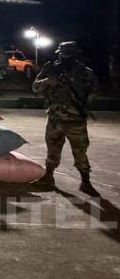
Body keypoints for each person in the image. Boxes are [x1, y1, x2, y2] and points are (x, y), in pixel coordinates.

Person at [32, 41, 99, 196]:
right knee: (52, 150)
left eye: (69, 54)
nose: (65, 57)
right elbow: (35, 87)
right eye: (63, 54)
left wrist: (82, 104)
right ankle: (48, 177)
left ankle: (86, 182)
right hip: (55, 119)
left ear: (76, 55)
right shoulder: (50, 69)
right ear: (59, 53)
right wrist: (48, 81)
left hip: (76, 121)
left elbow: (93, 92)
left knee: (80, 152)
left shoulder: (85, 72)